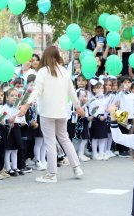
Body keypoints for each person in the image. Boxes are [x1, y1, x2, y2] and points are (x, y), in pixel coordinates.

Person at [19, 45, 85, 183]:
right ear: (57, 57)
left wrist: (25, 105)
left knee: (49, 141)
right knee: (65, 139)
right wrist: (78, 107)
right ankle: (77, 167)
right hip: (61, 112)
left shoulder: (43, 72)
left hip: (47, 112)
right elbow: (72, 92)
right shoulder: (65, 72)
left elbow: (36, 91)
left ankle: (51, 174)